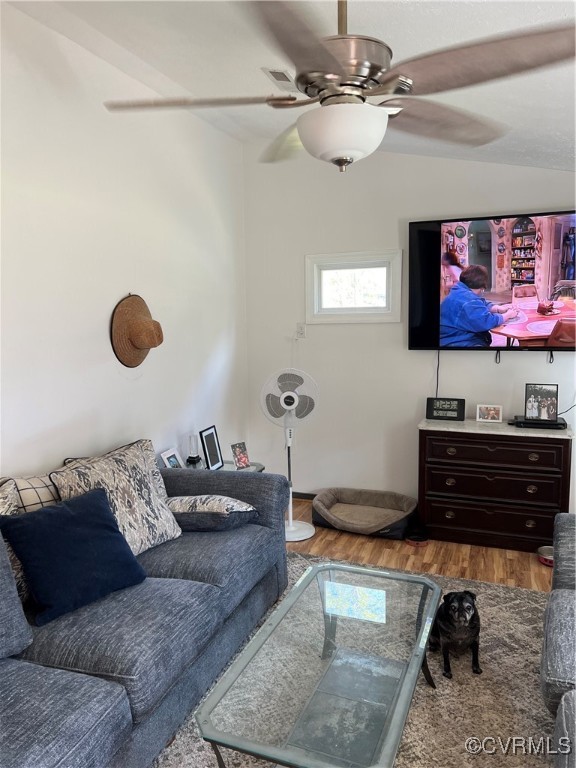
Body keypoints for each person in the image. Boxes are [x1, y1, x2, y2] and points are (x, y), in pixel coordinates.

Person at [440, 265, 519, 348]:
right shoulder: (469, 300)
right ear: (481, 287)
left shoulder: (459, 289)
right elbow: (487, 321)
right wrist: (508, 315)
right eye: (482, 289)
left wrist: (497, 308)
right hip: (457, 340)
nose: (482, 291)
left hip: (453, 335)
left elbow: (479, 303)